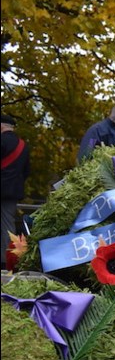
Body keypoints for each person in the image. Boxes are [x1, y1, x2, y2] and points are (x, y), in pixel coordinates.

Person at [1, 113, 30, 268]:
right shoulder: (23, 145)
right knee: (8, 225)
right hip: (12, 192)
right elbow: (26, 171)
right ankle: (7, 260)